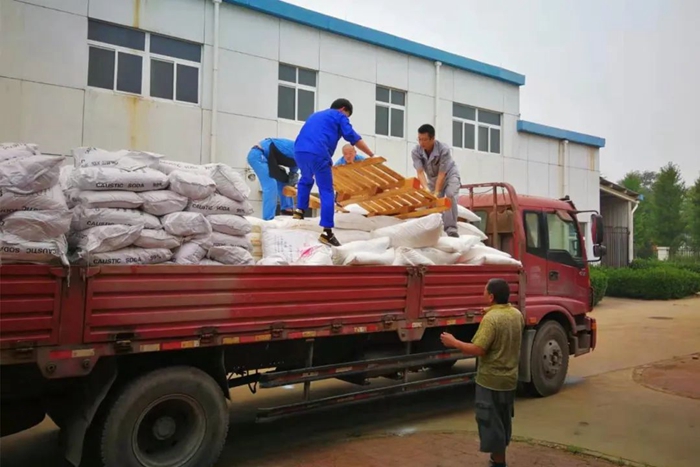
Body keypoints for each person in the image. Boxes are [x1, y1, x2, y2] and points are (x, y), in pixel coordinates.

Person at [440, 279, 524, 467]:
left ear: (491, 297)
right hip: (509, 380)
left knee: (490, 422)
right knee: (502, 420)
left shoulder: (491, 319)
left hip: (490, 381)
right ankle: (498, 458)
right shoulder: (517, 314)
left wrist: (454, 342)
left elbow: (478, 349)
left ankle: (498, 463)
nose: (482, 294)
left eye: (484, 292)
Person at [293, 98, 375, 246]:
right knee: (326, 191)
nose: (346, 118)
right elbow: (352, 136)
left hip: (299, 151)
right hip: (318, 152)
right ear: (343, 109)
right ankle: (327, 232)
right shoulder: (339, 116)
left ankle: (299, 211)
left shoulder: (315, 115)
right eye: (347, 115)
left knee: (305, 179)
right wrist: (371, 154)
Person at [411, 124, 461, 237]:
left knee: (449, 195)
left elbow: (442, 174)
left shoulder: (443, 150)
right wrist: (426, 189)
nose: (421, 143)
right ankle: (437, 230)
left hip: (449, 175)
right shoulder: (416, 151)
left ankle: (451, 229)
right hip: (433, 179)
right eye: (419, 139)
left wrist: (437, 191)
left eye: (425, 139)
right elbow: (420, 172)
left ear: (432, 138)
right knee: (432, 202)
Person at [247, 138, 298, 220]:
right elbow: (269, 145)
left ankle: (287, 210)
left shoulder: (301, 158)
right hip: (258, 154)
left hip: (269, 159)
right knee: (270, 185)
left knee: (284, 181)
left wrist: (292, 182)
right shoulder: (298, 150)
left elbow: (293, 175)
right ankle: (268, 219)